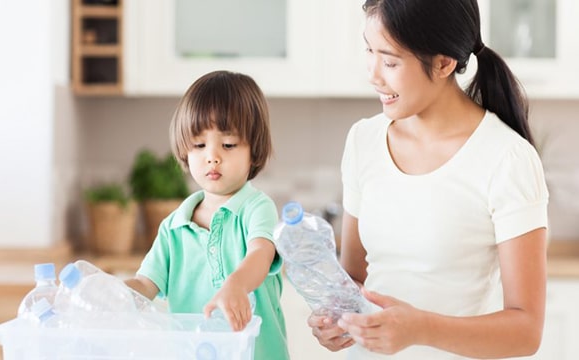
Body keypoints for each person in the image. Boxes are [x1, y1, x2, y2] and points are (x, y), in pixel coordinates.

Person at [307, 0, 549, 359]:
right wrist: (335, 318)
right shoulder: (364, 141)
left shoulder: (507, 158)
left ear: (443, 63)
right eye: (368, 51)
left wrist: (420, 329)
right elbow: (354, 276)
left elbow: (526, 331)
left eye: (389, 61)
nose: (373, 74)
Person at [126, 70, 289, 360]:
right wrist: (109, 296)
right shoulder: (173, 227)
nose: (212, 156)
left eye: (228, 144)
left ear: (254, 151)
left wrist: (236, 285)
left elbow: (261, 255)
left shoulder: (256, 207)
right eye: (199, 145)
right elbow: (145, 285)